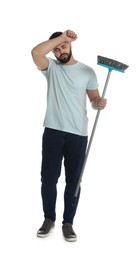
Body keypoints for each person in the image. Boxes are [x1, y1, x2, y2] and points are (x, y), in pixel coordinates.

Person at [31, 30, 107, 242]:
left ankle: (68, 223)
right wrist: (62, 37)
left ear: (71, 46)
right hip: (53, 132)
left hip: (78, 134)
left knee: (74, 181)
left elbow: (94, 99)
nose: (59, 51)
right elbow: (35, 52)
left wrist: (97, 103)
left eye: (63, 46)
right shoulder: (51, 68)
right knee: (48, 178)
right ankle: (49, 219)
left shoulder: (87, 71)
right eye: (56, 48)